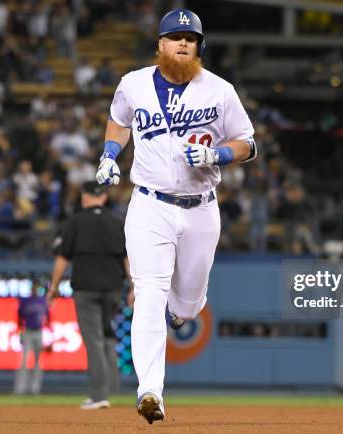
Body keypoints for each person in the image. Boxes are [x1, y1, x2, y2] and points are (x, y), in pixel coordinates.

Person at [94, 8, 257, 424]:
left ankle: (177, 311)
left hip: (201, 208)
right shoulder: (133, 84)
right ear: (160, 45)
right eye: (175, 36)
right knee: (148, 292)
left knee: (187, 306)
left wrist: (218, 153)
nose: (184, 43)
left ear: (200, 46)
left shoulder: (219, 91)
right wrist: (110, 156)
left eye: (191, 37)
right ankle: (150, 391)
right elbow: (118, 123)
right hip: (149, 205)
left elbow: (248, 143)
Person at [47, 181, 129, 410]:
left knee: (93, 340)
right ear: (102, 198)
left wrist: (53, 286)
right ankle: (111, 386)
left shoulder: (75, 221)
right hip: (113, 288)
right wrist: (133, 287)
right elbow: (127, 259)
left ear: (84, 198)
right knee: (107, 333)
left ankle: (99, 395)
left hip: (86, 288)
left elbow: (63, 257)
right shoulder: (117, 222)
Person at [13, 281, 50, 395]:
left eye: (36, 288)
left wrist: (50, 337)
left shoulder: (43, 301)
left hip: (39, 332)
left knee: (38, 362)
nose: (35, 290)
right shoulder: (25, 301)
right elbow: (19, 319)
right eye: (33, 288)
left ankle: (35, 389)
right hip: (27, 332)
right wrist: (19, 333)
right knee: (23, 362)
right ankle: (20, 389)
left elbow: (48, 319)